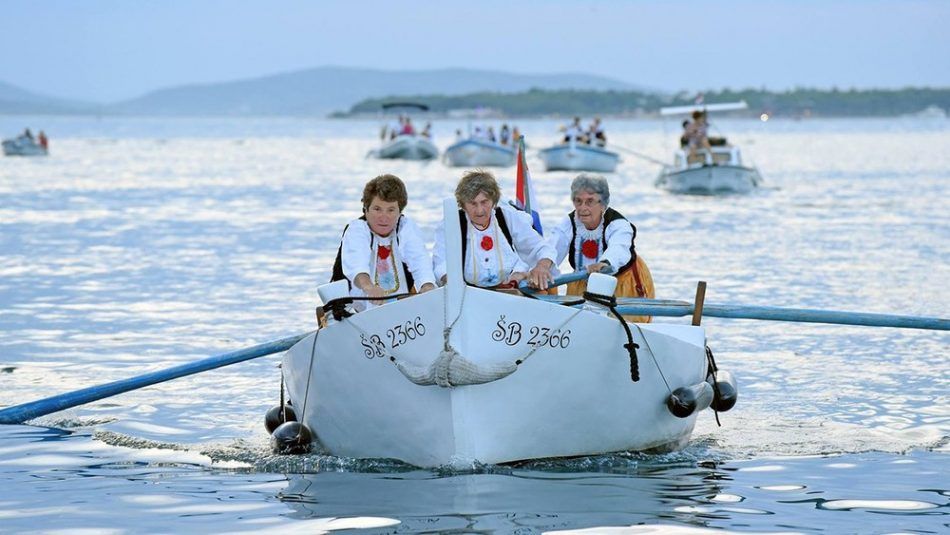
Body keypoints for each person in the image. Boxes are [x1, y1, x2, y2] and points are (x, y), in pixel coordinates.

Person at [547, 174, 654, 321]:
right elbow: (552, 248)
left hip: (622, 284)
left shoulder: (619, 225)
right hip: (582, 284)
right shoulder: (568, 223)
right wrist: (540, 266)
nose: (582, 208)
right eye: (578, 201)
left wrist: (605, 263)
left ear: (603, 204)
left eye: (589, 202)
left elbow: (619, 247)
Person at [433, 170, 556, 290]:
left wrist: (541, 266)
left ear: (493, 200)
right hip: (466, 295)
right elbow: (440, 264)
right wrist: (452, 284)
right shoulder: (450, 224)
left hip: (510, 291)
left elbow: (542, 248)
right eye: (473, 204)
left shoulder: (508, 217)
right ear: (463, 205)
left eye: (484, 202)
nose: (479, 210)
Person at [331, 174, 436, 310]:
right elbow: (356, 263)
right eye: (377, 209)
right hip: (358, 309)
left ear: (399, 212)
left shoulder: (405, 227)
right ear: (366, 209)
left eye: (391, 210)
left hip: (401, 307)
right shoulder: (357, 229)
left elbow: (419, 260)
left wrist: (427, 285)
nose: (384, 217)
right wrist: (368, 286)